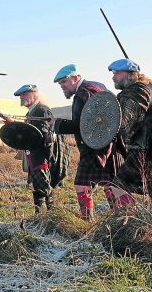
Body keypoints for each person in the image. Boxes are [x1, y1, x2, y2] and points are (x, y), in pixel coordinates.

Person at [107, 59, 152, 227]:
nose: (113, 77)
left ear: (132, 75)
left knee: (119, 186)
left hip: (144, 150)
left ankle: (126, 229)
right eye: (113, 74)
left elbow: (123, 124)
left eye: (117, 73)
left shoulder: (134, 91)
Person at [52, 64, 121, 221]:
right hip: (106, 145)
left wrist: (57, 124)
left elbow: (82, 125)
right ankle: (119, 219)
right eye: (60, 83)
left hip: (95, 147)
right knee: (108, 183)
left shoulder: (83, 93)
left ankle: (88, 221)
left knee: (82, 185)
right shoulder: (97, 86)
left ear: (76, 78)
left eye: (64, 81)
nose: (62, 86)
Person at [13, 84, 69, 214]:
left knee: (45, 188)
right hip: (34, 156)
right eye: (21, 95)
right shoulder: (31, 111)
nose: (22, 97)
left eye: (25, 94)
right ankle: (38, 214)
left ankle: (53, 216)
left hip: (42, 157)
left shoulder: (41, 110)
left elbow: (44, 136)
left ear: (35, 94)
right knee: (36, 187)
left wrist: (47, 160)